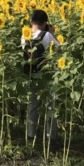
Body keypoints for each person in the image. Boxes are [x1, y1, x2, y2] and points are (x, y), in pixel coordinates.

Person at [21, 9, 59, 144]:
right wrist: (52, 34)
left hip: (31, 74)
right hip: (47, 76)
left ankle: (31, 135)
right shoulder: (47, 36)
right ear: (45, 23)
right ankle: (50, 136)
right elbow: (59, 50)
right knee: (50, 105)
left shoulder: (24, 36)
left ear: (31, 21)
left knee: (32, 105)